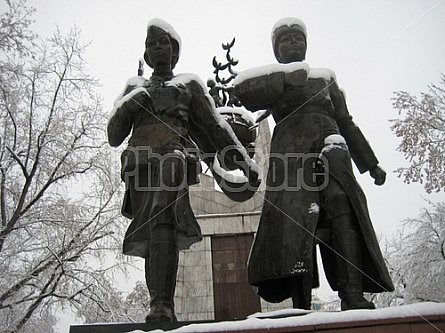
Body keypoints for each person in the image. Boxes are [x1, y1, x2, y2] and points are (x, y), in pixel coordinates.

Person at [235, 18, 394, 310]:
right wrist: (284, 78)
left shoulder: (324, 78)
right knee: (296, 223)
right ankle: (301, 303)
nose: (295, 42)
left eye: (299, 37)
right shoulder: (276, 78)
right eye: (287, 38)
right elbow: (242, 91)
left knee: (341, 208)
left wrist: (370, 164)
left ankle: (352, 293)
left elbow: (347, 122)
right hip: (291, 155)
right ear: (276, 50)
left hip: (332, 145)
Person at [107, 18, 259, 322]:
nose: (158, 48)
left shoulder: (189, 85)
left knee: (164, 215)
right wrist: (130, 104)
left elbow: (215, 127)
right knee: (154, 232)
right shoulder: (134, 87)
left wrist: (244, 162)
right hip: (139, 166)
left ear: (174, 52)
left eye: (164, 43)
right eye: (152, 44)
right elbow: (113, 135)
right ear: (147, 53)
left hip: (174, 159)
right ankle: (159, 305)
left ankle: (162, 303)